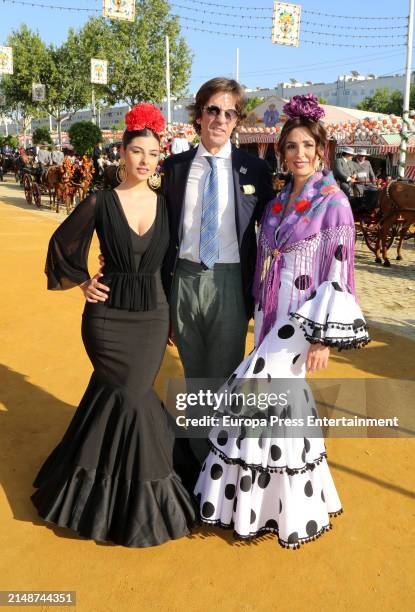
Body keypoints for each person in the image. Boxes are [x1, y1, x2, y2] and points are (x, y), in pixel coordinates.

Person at [194, 94, 370, 549]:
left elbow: (339, 272)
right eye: (290, 146)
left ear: (321, 150)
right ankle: (283, 504)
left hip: (302, 319)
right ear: (282, 152)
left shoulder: (333, 202)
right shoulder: (275, 204)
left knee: (255, 391)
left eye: (307, 146)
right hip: (268, 311)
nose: (299, 154)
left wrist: (322, 337)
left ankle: (258, 501)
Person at [31, 103, 198, 548]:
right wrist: (83, 281)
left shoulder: (167, 206)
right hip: (106, 319)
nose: (145, 161)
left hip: (151, 315)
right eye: (137, 151)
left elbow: (169, 265)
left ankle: (92, 484)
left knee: (128, 394)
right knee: (130, 394)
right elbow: (61, 243)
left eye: (153, 154)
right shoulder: (99, 201)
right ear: (122, 153)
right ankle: (150, 499)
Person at [162, 77, 274, 467]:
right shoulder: (174, 168)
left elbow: (278, 227)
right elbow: (161, 231)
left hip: (229, 281)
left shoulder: (254, 169)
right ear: (198, 114)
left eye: (230, 113)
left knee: (226, 379)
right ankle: (196, 466)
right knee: (195, 379)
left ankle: (221, 467)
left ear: (237, 120)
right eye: (213, 109)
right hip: (186, 280)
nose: (221, 119)